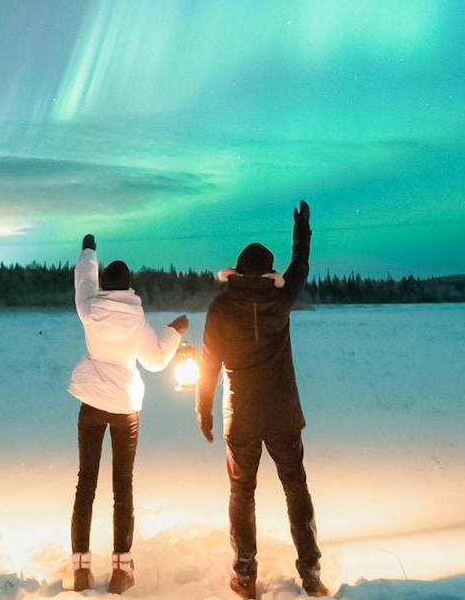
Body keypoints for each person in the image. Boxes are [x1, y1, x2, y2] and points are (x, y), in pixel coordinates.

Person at [195, 201, 328, 599]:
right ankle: (310, 573)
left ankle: (246, 575)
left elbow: (208, 364)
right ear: (270, 273)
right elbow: (300, 268)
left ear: (236, 272)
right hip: (283, 412)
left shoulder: (220, 307)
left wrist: (204, 410)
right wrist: (302, 231)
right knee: (296, 489)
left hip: (243, 417)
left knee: (241, 492)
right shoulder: (280, 300)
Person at [68, 234, 189, 594]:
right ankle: (121, 569)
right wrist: (175, 331)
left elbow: (84, 279)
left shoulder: (89, 308)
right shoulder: (136, 319)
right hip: (125, 409)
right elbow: (153, 358)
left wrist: (89, 249)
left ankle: (80, 568)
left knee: (85, 485)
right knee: (123, 486)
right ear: (130, 286)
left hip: (91, 403)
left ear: (106, 286)